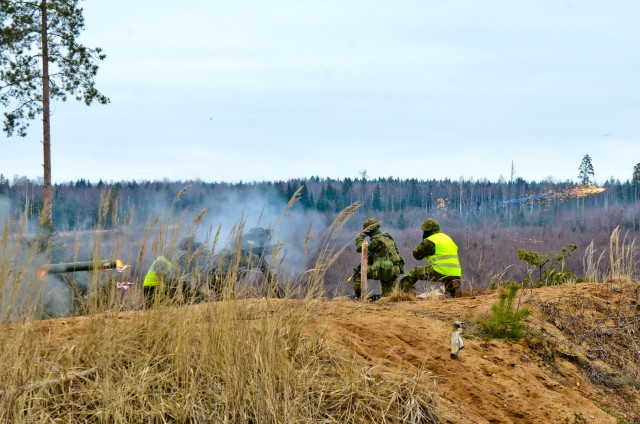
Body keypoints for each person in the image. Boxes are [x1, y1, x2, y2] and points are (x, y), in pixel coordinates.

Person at [399, 218, 462, 298]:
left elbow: (417, 255)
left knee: (415, 272)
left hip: (441, 271)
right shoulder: (447, 238)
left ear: (426, 231)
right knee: (449, 290)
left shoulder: (431, 240)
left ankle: (401, 293)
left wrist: (422, 243)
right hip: (456, 273)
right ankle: (453, 289)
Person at [351, 218, 404, 298]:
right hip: (395, 269)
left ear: (368, 231)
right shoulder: (387, 236)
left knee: (358, 273)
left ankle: (358, 296)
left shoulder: (375, 241)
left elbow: (359, 248)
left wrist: (360, 237)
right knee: (388, 296)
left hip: (385, 269)